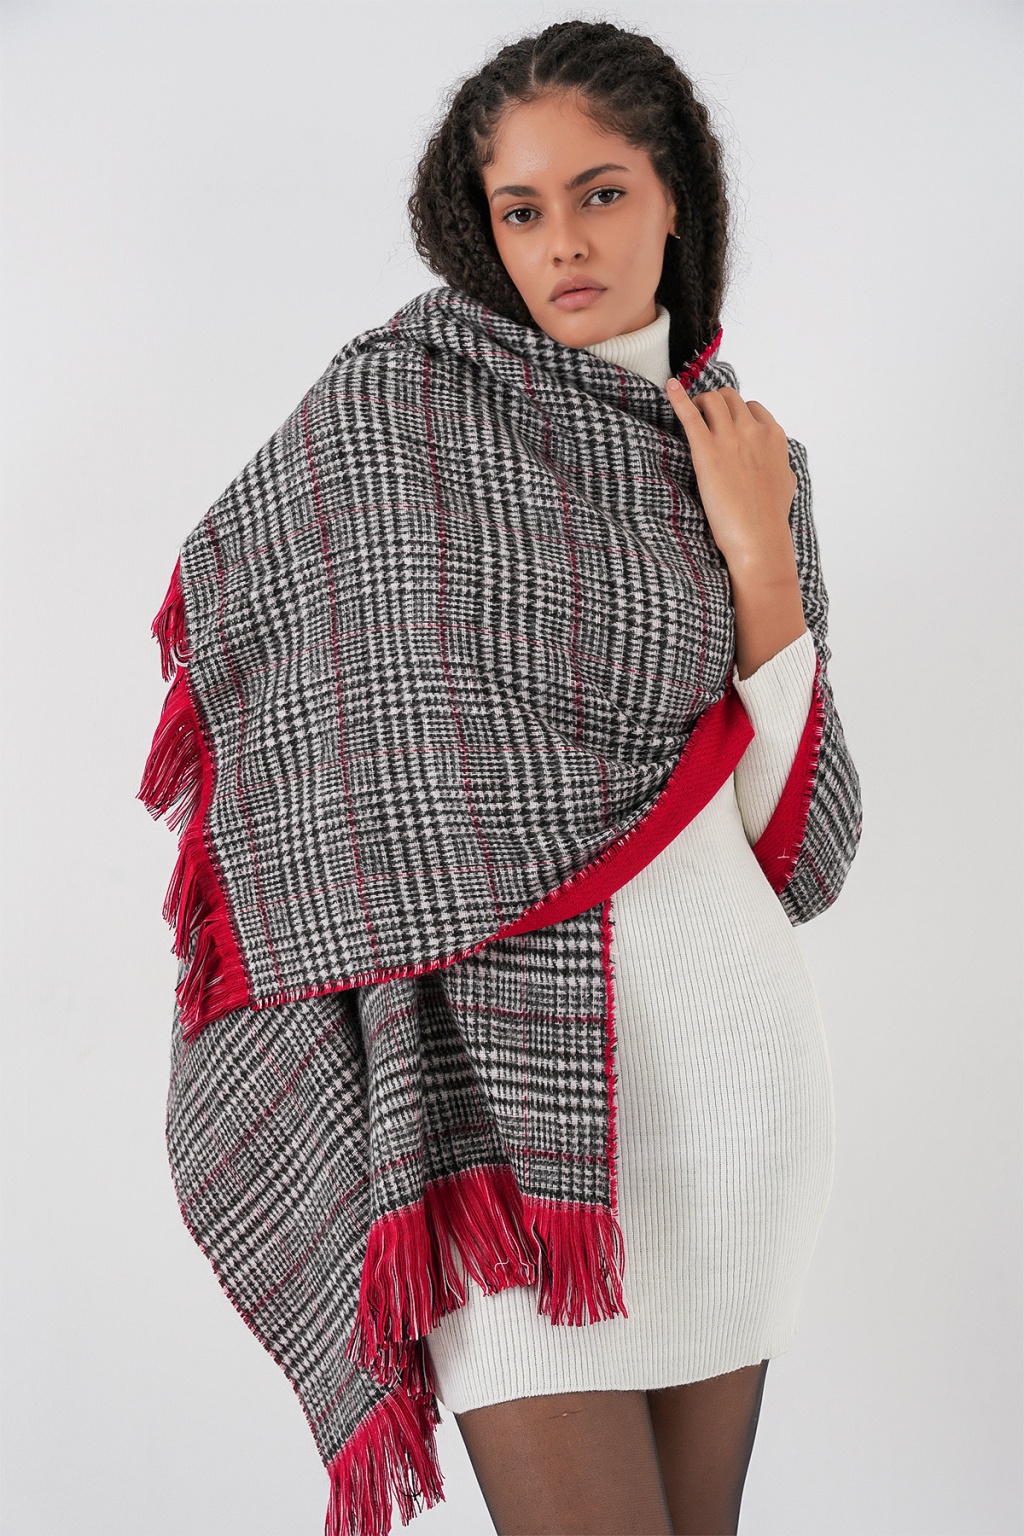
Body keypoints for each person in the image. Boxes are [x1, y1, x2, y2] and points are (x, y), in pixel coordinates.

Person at [402, 20, 852, 1535]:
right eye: (522, 210)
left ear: (676, 201)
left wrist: (758, 551)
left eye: (601, 194)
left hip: (729, 1079)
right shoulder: (403, 430)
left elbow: (797, 845)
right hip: (500, 1109)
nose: (565, 243)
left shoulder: (749, 455)